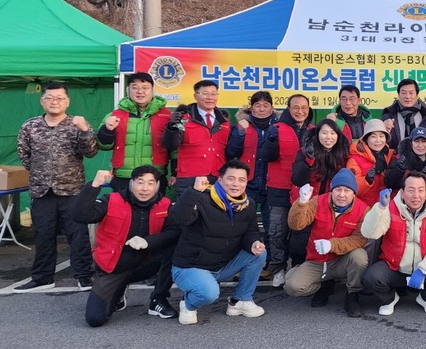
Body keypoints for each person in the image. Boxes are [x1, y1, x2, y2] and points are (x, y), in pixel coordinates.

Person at [72, 166, 180, 327]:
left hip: (147, 263)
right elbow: (80, 215)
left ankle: (158, 299)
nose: (145, 188)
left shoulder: (165, 204)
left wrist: (148, 242)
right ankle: (119, 290)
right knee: (95, 319)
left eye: (150, 183)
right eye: (140, 182)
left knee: (175, 247)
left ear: (157, 186)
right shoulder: (111, 200)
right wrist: (95, 185)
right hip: (114, 266)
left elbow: (174, 232)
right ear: (131, 184)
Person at [14, 81, 96, 293]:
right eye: (49, 98)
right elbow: (24, 155)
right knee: (43, 235)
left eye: (60, 98)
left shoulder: (77, 124)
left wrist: (84, 131)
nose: (54, 102)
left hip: (72, 191)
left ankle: (85, 277)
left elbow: (91, 152)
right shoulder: (30, 126)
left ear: (67, 101)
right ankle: (42, 278)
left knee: (78, 236)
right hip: (42, 191)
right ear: (42, 101)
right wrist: (42, 173)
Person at [170, 160, 267, 325]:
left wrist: (253, 243)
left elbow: (250, 233)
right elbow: (180, 219)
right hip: (191, 266)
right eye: (231, 178)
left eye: (241, 180)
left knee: (259, 253)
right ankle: (188, 303)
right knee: (209, 293)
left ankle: (240, 300)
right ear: (220, 179)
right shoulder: (201, 197)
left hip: (222, 266)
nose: (236, 184)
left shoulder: (248, 204)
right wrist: (193, 191)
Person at [362, 173, 426, 315]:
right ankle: (390, 299)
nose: (416, 195)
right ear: (402, 193)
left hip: (424, 271)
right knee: (372, 277)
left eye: (421, 190)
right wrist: (380, 208)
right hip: (395, 267)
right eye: (411, 190)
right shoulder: (390, 207)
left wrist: (423, 270)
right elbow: (370, 233)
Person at [284, 169, 370, 317]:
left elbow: (359, 239)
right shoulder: (318, 201)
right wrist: (302, 202)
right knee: (292, 287)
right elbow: (296, 225)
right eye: (338, 189)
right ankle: (322, 285)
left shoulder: (363, 210)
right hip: (317, 260)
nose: (341, 194)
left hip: (341, 260)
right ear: (331, 190)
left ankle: (352, 294)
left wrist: (332, 245)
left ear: (354, 193)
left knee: (360, 256)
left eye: (347, 190)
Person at [261, 94, 314, 287]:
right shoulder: (275, 129)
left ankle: (299, 267)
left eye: (304, 107)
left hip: (305, 190)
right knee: (277, 232)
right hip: (279, 188)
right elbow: (266, 156)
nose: (300, 111)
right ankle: (278, 269)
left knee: (302, 232)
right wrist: (271, 142)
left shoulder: (313, 131)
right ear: (288, 109)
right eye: (295, 107)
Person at [289, 119, 351, 266]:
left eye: (332, 133)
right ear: (317, 135)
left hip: (328, 204)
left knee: (324, 237)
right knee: (300, 240)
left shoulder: (342, 154)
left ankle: (323, 270)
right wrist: (309, 160)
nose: (328, 137)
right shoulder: (305, 151)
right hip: (307, 202)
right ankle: (298, 266)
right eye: (324, 133)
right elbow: (297, 179)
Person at [96, 72, 171, 193]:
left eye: (145, 88)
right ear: (128, 90)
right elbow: (103, 145)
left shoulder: (166, 116)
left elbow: (176, 150)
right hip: (123, 177)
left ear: (152, 91)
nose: (140, 91)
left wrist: (175, 173)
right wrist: (108, 130)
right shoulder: (114, 115)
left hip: (154, 176)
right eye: (135, 87)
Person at [226, 91, 279, 249]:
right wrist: (240, 133)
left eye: (266, 105)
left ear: (271, 108)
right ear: (251, 108)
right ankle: (240, 258)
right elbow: (232, 152)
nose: (262, 109)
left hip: (271, 184)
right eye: (257, 105)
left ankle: (270, 260)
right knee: (241, 224)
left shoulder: (279, 126)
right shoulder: (241, 125)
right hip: (247, 184)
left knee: (272, 227)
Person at [162, 80, 230, 198]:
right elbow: (170, 145)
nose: (210, 97)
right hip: (189, 178)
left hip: (217, 177)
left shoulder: (225, 122)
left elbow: (230, 151)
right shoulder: (183, 118)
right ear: (195, 96)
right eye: (205, 93)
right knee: (188, 209)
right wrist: (172, 128)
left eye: (213, 94)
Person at [347, 118, 394, 207]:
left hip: (385, 207)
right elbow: (352, 189)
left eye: (381, 136)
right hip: (364, 208)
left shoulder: (390, 155)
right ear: (366, 139)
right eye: (373, 136)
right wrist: (367, 180)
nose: (378, 140)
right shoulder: (354, 159)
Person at [381, 78, 426, 150]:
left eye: (411, 93)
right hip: (395, 156)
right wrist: (384, 130)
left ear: (417, 95)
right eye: (403, 93)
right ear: (398, 95)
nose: (407, 96)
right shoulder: (388, 115)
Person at [385, 126, 426, 191]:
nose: (420, 145)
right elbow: (389, 184)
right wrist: (399, 170)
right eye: (416, 141)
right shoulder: (399, 159)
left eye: (424, 141)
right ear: (411, 143)